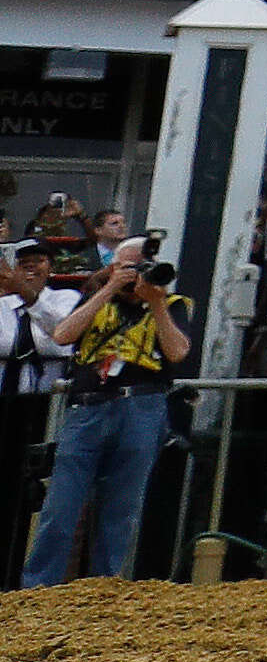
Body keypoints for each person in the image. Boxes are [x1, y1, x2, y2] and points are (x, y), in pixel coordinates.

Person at [19, 234, 187, 587]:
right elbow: (63, 335)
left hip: (142, 406)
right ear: (114, 268)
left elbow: (177, 352)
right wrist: (109, 289)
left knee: (121, 508)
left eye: (142, 267)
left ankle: (104, 586)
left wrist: (156, 303)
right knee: (61, 505)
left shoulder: (171, 304)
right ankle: (39, 586)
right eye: (129, 267)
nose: (137, 274)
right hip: (89, 407)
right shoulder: (96, 299)